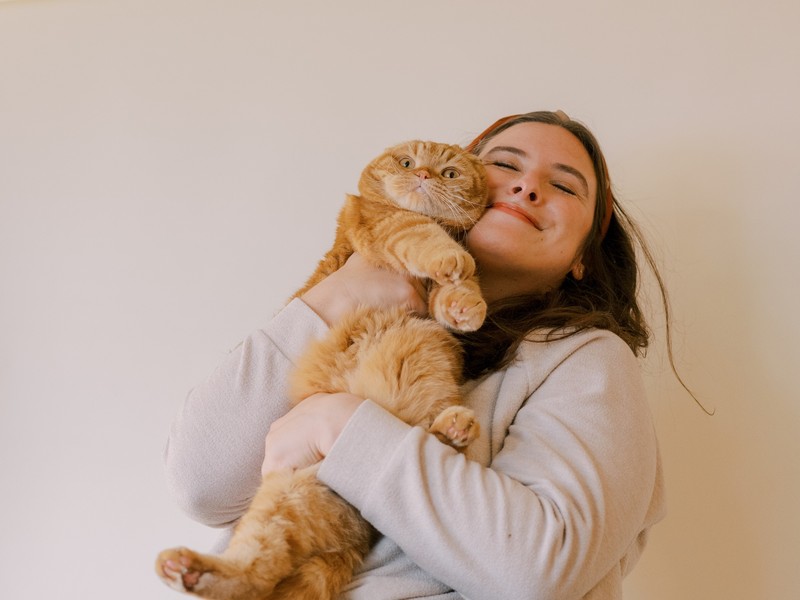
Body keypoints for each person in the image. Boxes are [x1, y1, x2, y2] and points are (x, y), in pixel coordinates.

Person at [163, 111, 666, 599]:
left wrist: (338, 425)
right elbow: (200, 486)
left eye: (564, 186)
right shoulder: (354, 309)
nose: (528, 186)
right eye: (506, 165)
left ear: (583, 257)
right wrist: (337, 295)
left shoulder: (587, 359)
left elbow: (541, 571)